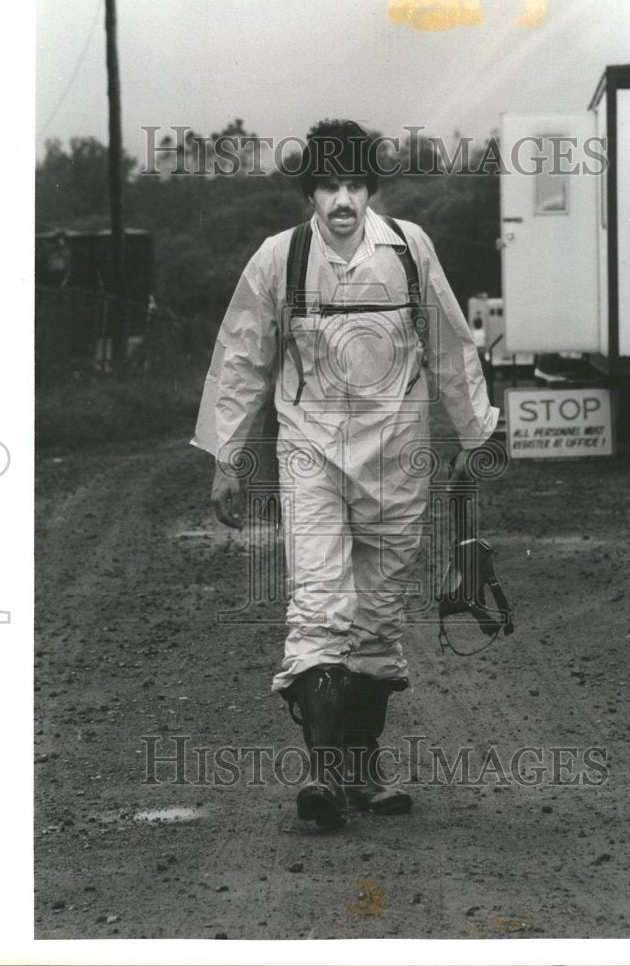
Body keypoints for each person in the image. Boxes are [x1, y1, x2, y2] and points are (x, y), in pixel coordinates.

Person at [192, 120, 499, 827]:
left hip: (396, 454)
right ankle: (322, 778)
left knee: (378, 617)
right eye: (329, 184)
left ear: (371, 190)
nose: (342, 200)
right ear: (310, 190)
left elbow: (450, 344)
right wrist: (227, 458)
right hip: (311, 455)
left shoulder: (408, 250)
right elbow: (240, 359)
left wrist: (479, 436)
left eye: (355, 184)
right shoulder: (278, 260)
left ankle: (361, 773)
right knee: (319, 605)